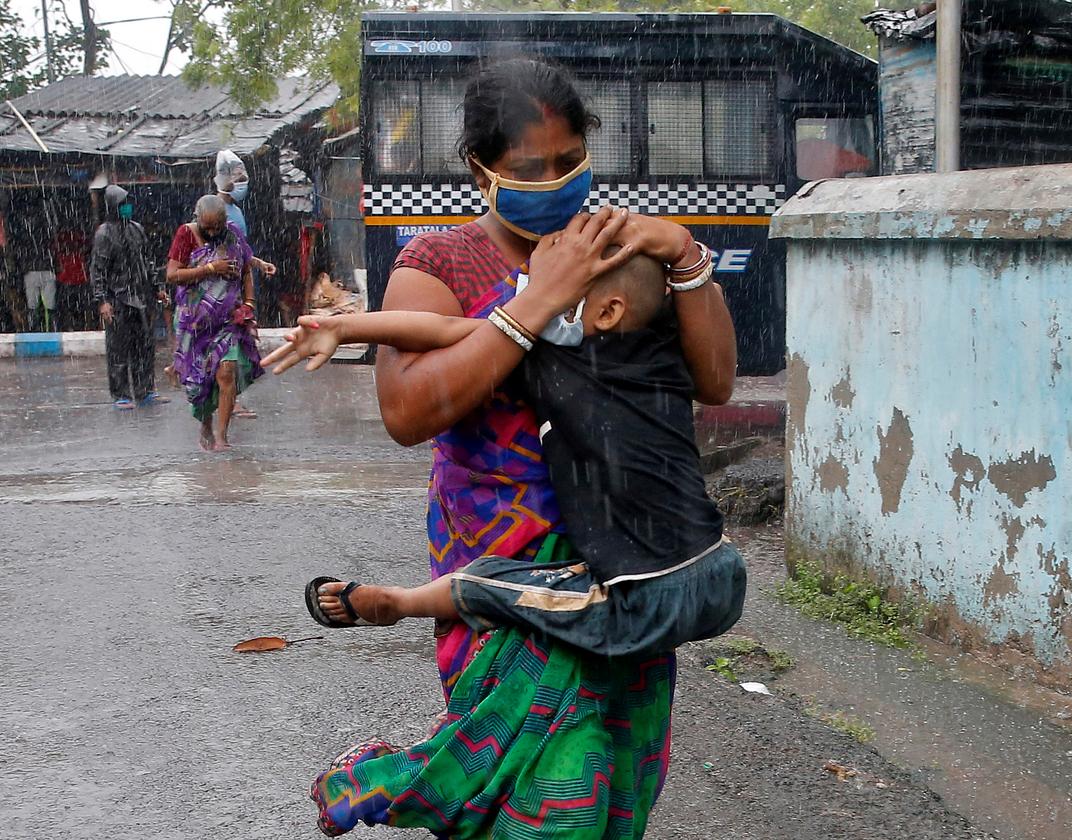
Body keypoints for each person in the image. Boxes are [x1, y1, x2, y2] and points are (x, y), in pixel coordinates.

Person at [272, 57, 736, 838]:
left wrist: (686, 255)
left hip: (626, 562)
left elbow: (715, 379)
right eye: (530, 168)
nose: (555, 181)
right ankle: (391, 781)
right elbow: (408, 410)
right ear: (480, 169)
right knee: (539, 798)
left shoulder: (617, 254)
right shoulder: (438, 263)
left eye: (569, 162)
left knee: (611, 791)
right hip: (502, 567)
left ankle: (395, 780)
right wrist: (541, 301)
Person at [268, 246, 746, 661]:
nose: (529, 302)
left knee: (492, 582)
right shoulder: (664, 348)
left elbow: (440, 329)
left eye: (550, 290)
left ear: (606, 313)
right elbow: (712, 299)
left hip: (646, 596)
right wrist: (680, 249)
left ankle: (400, 603)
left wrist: (346, 328)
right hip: (722, 571)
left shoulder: (550, 355)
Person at [165, 195, 262, 451]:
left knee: (226, 370)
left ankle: (222, 436)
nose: (212, 232)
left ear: (224, 222)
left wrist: (249, 303)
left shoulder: (231, 235)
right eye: (207, 227)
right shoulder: (185, 234)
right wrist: (210, 269)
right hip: (194, 323)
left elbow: (246, 268)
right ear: (197, 219)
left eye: (217, 227)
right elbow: (173, 274)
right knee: (200, 380)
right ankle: (205, 424)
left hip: (227, 319)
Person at [90, 184, 170, 410]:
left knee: (144, 346)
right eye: (123, 204)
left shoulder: (137, 229)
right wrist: (102, 300)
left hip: (140, 297)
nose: (127, 208)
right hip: (117, 298)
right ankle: (121, 394)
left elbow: (149, 262)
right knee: (118, 349)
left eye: (128, 204)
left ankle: (145, 390)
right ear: (114, 206)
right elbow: (98, 270)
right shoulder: (104, 233)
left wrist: (158, 287)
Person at [212, 149, 275, 416]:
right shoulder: (212, 208)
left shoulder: (236, 210)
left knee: (239, 345)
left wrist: (258, 264)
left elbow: (241, 249)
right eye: (237, 176)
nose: (241, 182)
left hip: (239, 288)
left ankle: (230, 396)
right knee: (228, 347)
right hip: (221, 290)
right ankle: (227, 399)